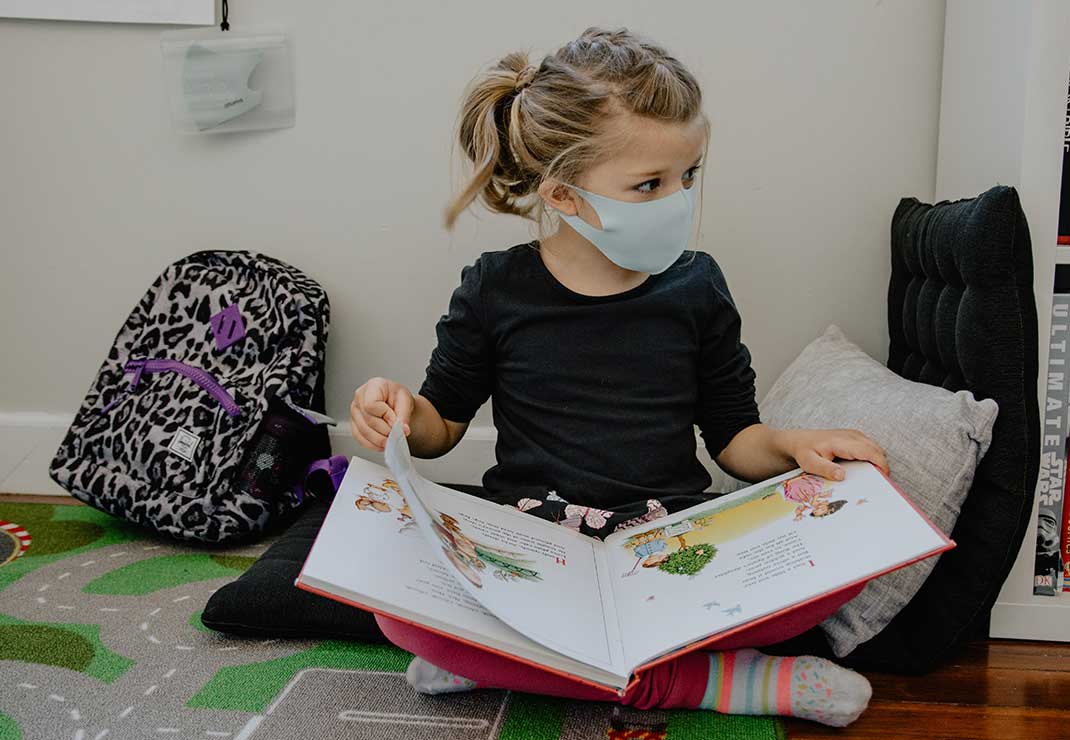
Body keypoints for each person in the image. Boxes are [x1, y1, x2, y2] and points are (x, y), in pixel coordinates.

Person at [350, 26, 889, 728]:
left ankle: (513, 663)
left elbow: (733, 438)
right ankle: (715, 682)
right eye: (650, 184)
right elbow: (439, 428)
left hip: (668, 547)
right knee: (397, 616)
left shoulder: (697, 287)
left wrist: (794, 448)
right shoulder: (495, 289)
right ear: (565, 196)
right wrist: (394, 409)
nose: (680, 197)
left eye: (688, 175)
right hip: (535, 548)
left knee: (840, 565)